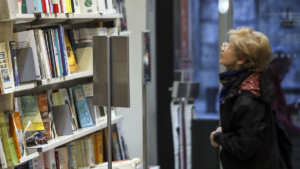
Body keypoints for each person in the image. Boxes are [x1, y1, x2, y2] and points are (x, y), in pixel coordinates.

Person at [209, 27, 287, 169]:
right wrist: (223, 129)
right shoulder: (243, 87)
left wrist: (218, 137)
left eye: (229, 46)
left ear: (241, 59)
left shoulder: (248, 99)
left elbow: (245, 146)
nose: (222, 47)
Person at [267, 55, 300, 136]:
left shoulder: (274, 82)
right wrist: (297, 131)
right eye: (287, 65)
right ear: (278, 64)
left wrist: (294, 106)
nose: (288, 70)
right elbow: (276, 116)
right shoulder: (268, 84)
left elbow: (279, 110)